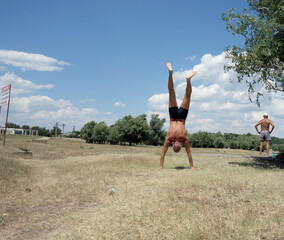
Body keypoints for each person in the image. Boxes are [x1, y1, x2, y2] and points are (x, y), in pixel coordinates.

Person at [158, 62, 197, 170]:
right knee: (171, 92)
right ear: (172, 145)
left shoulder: (184, 139)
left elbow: (189, 153)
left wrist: (192, 166)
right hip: (173, 116)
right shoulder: (169, 139)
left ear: (180, 146)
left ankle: (188, 80)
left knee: (187, 95)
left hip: (182, 117)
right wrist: (160, 166)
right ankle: (170, 73)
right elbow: (163, 153)